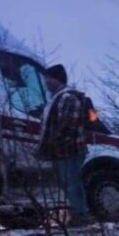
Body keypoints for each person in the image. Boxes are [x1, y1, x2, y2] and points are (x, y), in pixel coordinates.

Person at [37, 64, 91, 226]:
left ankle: (81, 215)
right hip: (64, 150)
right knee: (69, 183)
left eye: (49, 78)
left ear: (57, 79)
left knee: (72, 183)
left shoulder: (67, 98)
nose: (47, 82)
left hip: (69, 149)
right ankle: (79, 214)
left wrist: (54, 143)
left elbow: (68, 125)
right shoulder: (58, 98)